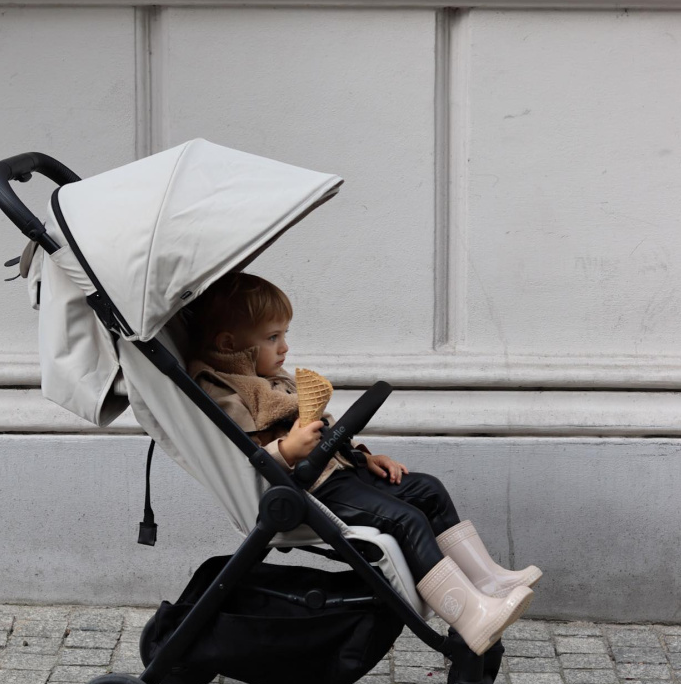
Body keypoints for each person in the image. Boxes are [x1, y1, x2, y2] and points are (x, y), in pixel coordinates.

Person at [185, 272, 541, 656]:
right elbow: (238, 460)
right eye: (273, 338)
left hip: (339, 471)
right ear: (229, 344)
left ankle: (488, 582)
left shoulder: (269, 378)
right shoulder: (221, 390)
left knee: (428, 489)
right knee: (405, 520)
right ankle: (471, 617)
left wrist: (365, 457)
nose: (285, 347)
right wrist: (287, 451)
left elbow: (323, 432)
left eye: (285, 334)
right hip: (306, 491)